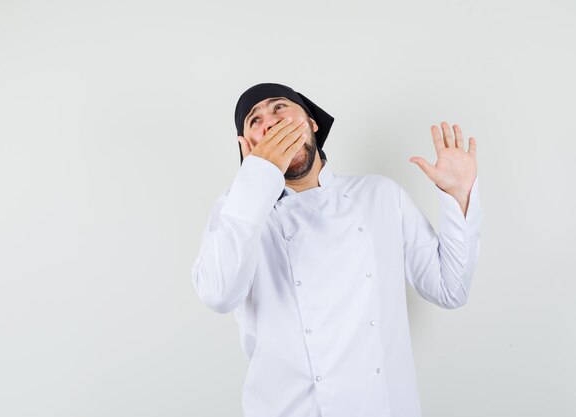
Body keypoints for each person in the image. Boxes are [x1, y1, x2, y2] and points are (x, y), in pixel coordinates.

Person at [191, 82, 482, 417]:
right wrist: (254, 181)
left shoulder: (379, 195)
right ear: (248, 147)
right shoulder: (236, 210)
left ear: (312, 123)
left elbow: (451, 289)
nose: (269, 122)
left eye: (279, 107)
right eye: (254, 121)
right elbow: (218, 295)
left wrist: (460, 195)